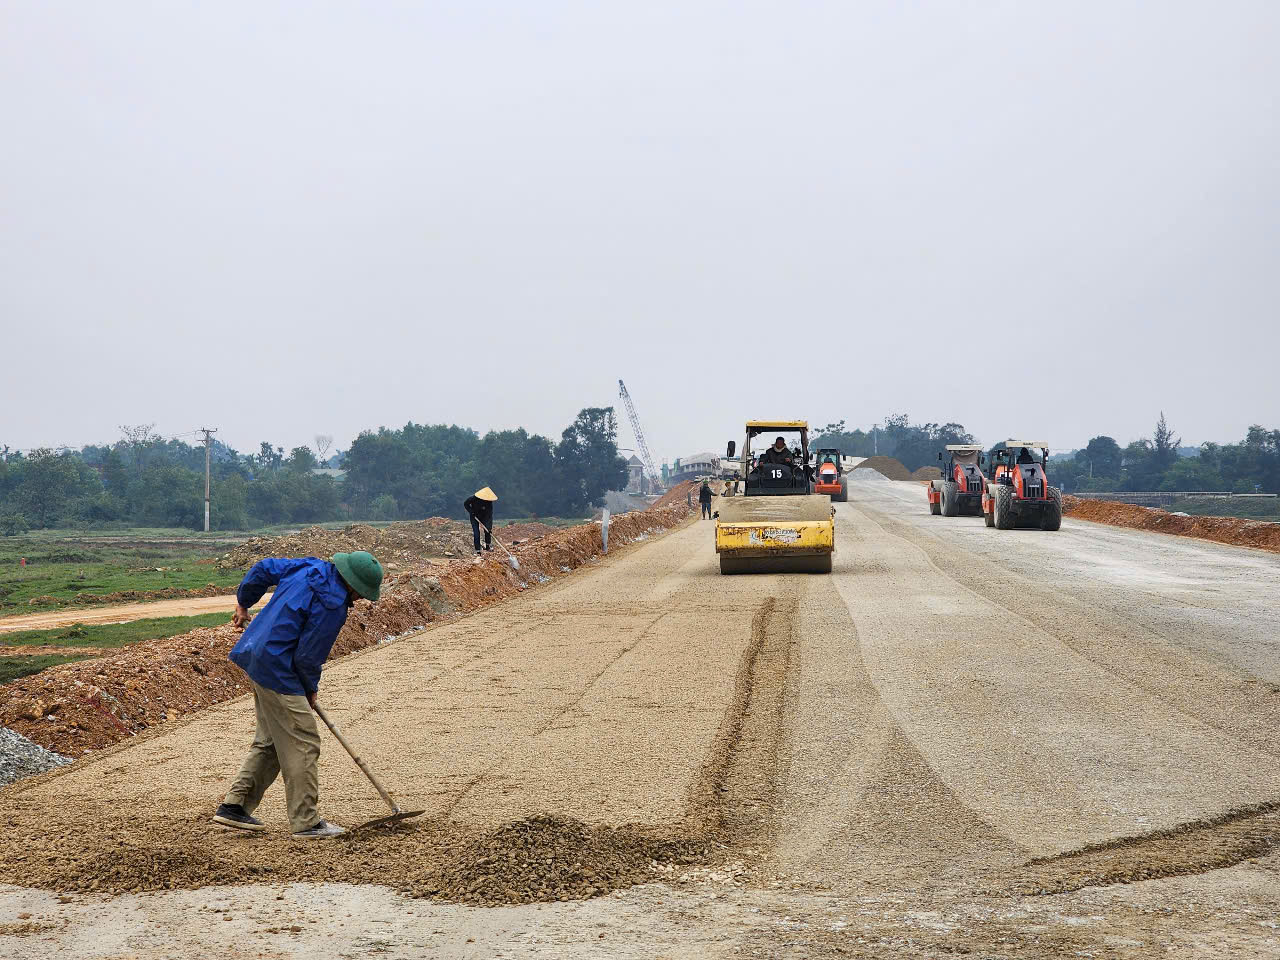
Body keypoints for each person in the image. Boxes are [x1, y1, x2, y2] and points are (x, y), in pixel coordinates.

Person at [214, 550, 383, 839]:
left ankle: (235, 806)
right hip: (278, 668)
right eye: (361, 594)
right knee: (304, 739)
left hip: (256, 653)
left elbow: (263, 568)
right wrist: (309, 689)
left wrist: (244, 602)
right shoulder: (333, 604)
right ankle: (306, 821)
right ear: (354, 586)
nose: (359, 600)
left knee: (272, 740)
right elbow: (307, 656)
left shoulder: (309, 566)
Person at [464, 487, 498, 555]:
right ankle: (478, 550)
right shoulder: (473, 498)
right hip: (474, 516)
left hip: (484, 516)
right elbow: (466, 504)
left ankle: (488, 546)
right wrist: (471, 511)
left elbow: (489, 515)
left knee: (488, 531)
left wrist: (488, 527)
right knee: (476, 533)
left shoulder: (489, 502)